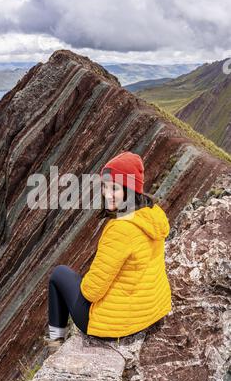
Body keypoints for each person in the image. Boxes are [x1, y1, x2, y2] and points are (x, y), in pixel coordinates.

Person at [45, 151, 172, 352]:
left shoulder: (121, 229)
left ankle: (54, 345)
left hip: (117, 325)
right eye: (105, 187)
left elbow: (91, 291)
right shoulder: (152, 216)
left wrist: (86, 280)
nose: (107, 194)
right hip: (150, 311)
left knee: (59, 274)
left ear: (130, 190)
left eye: (115, 188)